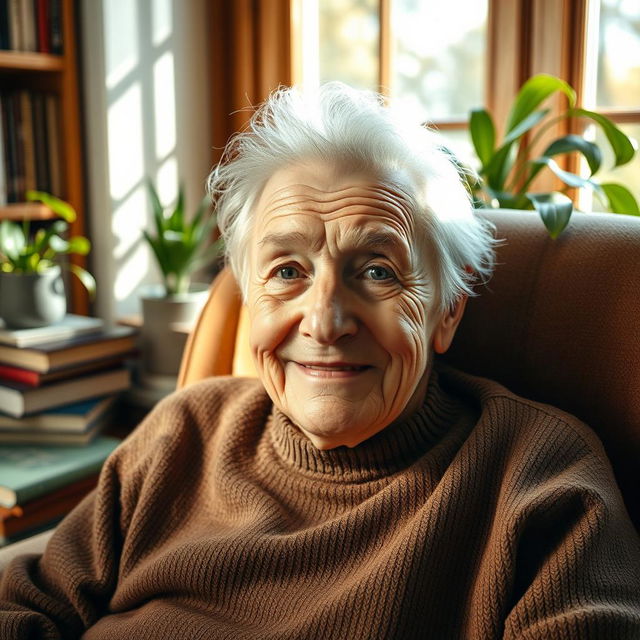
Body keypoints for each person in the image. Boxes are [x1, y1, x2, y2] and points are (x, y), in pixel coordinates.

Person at [1, 82, 639, 639]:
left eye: (377, 270)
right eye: (286, 270)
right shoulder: (184, 431)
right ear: (251, 299)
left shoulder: (538, 477)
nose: (326, 321)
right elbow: (26, 606)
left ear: (448, 311)